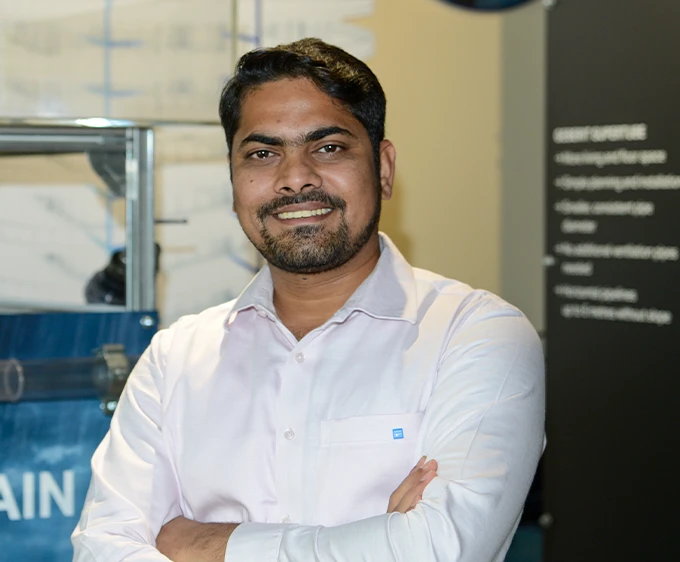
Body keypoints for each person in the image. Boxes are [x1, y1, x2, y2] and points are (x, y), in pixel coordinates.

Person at [71, 37, 545, 562]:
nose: (295, 177)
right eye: (262, 153)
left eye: (328, 147)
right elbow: (101, 549)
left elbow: (442, 550)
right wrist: (378, 538)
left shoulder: (477, 335)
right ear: (233, 180)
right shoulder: (173, 360)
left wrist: (206, 543)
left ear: (384, 169)